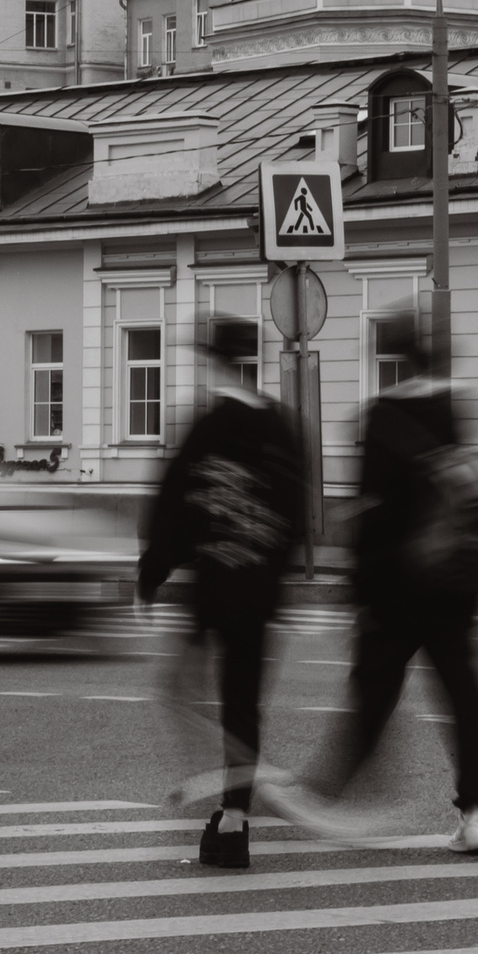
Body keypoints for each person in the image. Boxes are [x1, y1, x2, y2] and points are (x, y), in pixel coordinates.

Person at [318, 334, 478, 854]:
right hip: (454, 587)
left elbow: (373, 510)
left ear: (396, 359)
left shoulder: (382, 415)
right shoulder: (458, 408)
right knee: (464, 696)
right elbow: (476, 501)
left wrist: (360, 588)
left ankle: (334, 791)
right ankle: (477, 814)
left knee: (373, 687)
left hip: (397, 587)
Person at [138, 319, 308, 870]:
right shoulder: (284, 428)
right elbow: (297, 514)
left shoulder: (207, 425)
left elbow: (176, 506)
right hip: (259, 592)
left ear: (215, 361)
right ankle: (235, 816)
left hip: (213, 586)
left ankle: (224, 773)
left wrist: (154, 571)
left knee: (175, 689)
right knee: (243, 699)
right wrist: (277, 579)